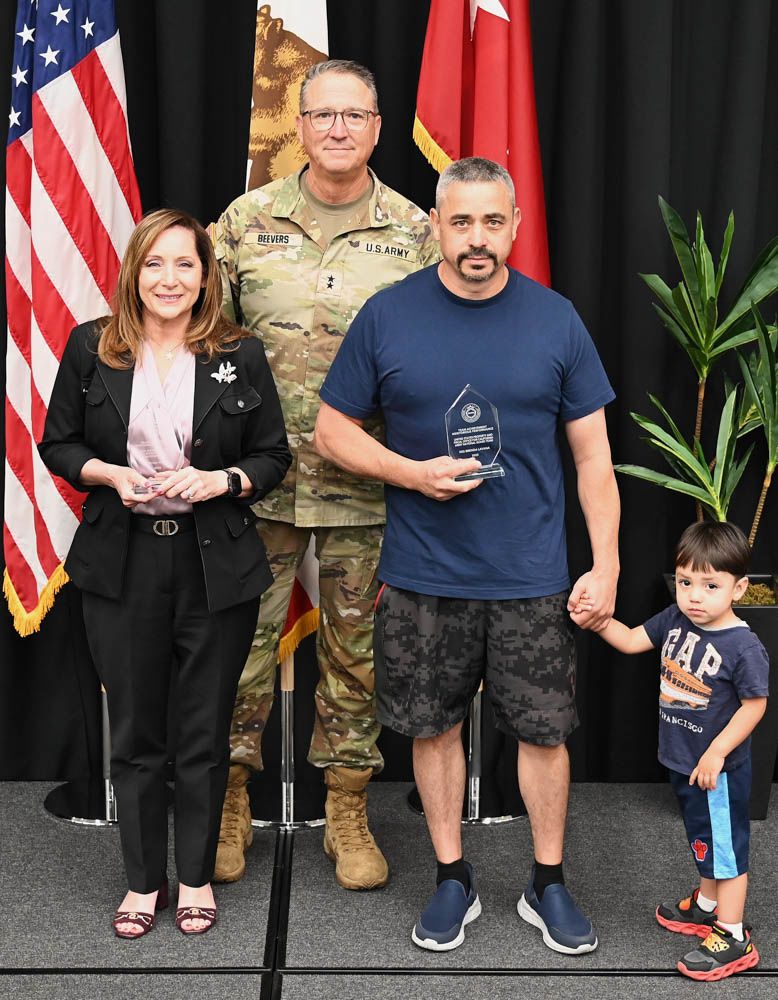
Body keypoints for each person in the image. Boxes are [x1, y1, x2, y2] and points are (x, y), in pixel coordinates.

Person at [314, 156, 620, 952]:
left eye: (491, 221)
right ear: (435, 227)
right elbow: (331, 430)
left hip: (532, 576)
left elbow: (593, 457)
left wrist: (607, 563)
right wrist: (410, 473)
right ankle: (452, 877)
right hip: (424, 575)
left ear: (514, 226)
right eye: (460, 222)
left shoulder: (556, 320)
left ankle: (547, 882)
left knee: (545, 734)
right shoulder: (389, 316)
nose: (476, 238)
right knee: (432, 728)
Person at [214, 59, 439, 889]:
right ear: (300, 125)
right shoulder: (245, 221)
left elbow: (437, 355)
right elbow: (204, 345)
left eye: (355, 115)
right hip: (255, 488)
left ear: (377, 128)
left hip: (367, 489)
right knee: (238, 646)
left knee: (357, 657)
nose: (338, 128)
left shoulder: (414, 232)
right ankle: (228, 798)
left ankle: (347, 808)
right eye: (322, 114)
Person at [39, 209, 291, 938]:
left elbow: (273, 455)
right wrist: (107, 473)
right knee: (136, 731)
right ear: (133, 272)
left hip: (214, 564)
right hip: (123, 562)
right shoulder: (92, 347)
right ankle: (143, 881)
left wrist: (222, 481)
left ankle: (196, 877)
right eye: (155, 263)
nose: (170, 279)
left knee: (205, 731)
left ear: (206, 276)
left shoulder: (239, 352)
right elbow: (58, 444)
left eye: (185, 264)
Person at [574, 521, 767, 981]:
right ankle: (707, 906)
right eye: (685, 582)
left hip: (717, 771)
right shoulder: (676, 621)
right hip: (685, 763)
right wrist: (598, 621)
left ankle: (733, 935)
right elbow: (630, 640)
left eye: (711, 585)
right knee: (704, 840)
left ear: (739, 588)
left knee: (726, 851)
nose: (695, 596)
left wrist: (717, 752)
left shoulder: (743, 646)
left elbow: (755, 706)